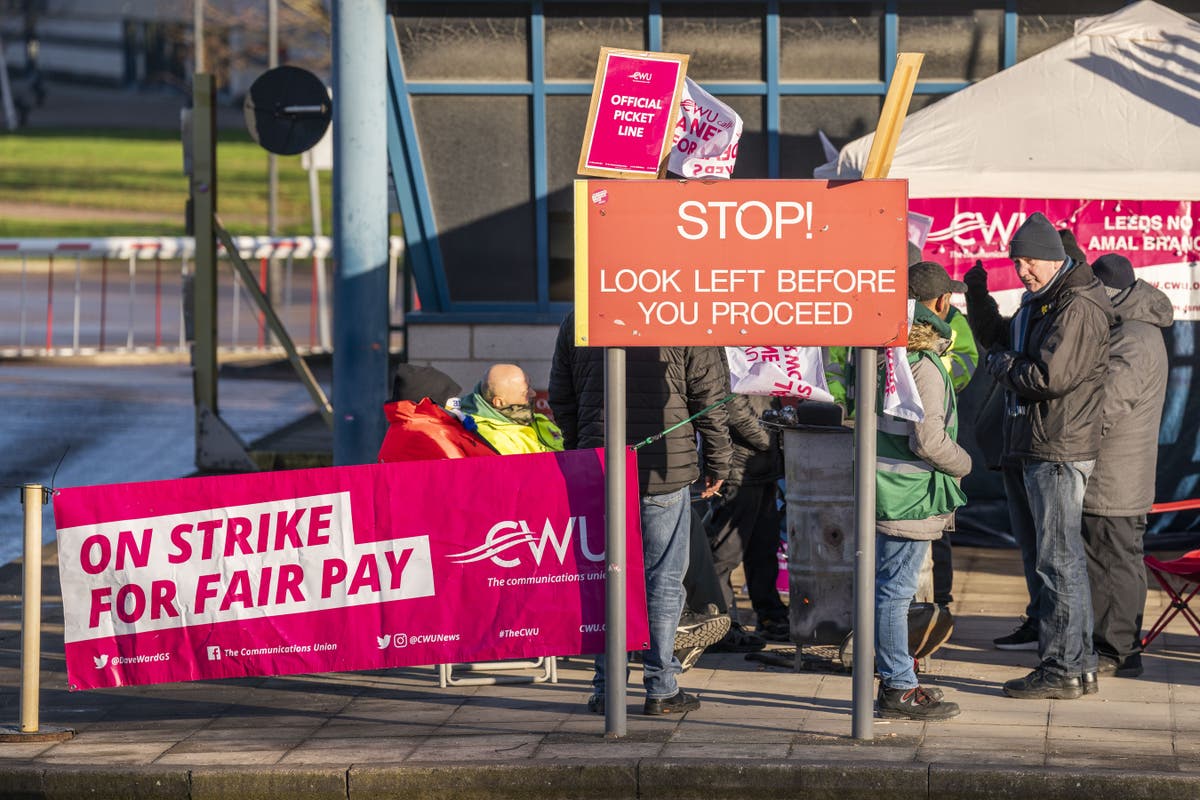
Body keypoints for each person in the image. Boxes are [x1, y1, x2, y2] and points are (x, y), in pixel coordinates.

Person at [549, 312, 732, 715]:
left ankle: (606, 687)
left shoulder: (581, 315)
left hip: (601, 468)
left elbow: (561, 397)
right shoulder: (680, 316)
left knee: (606, 576)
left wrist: (582, 449)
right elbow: (711, 402)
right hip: (663, 473)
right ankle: (661, 687)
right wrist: (720, 463)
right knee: (663, 580)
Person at [965, 212, 1113, 700]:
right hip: (1036, 443)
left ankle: (1063, 667)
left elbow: (1049, 378)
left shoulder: (1076, 305)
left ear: (1055, 257)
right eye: (1018, 262)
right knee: (1055, 558)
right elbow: (1000, 339)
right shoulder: (1042, 301)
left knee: (1059, 561)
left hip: (1057, 447)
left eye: (1030, 261)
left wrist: (1002, 365)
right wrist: (978, 295)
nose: (1023, 270)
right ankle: (1080, 665)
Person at [874, 262, 971, 721]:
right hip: (911, 495)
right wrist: (965, 463)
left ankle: (895, 681)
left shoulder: (881, 356)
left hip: (882, 487)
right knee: (895, 594)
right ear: (941, 304)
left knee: (884, 591)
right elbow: (929, 441)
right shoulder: (925, 366)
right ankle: (899, 686)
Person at [1082, 253, 1173, 679]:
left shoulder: (1133, 337)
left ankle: (1118, 650)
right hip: (1118, 471)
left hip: (1115, 474)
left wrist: (1071, 436)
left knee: (1113, 561)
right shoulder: (1134, 330)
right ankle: (1117, 646)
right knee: (1114, 559)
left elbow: (1108, 404)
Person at [704, 382, 788, 649]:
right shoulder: (733, 352)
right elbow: (732, 404)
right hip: (741, 466)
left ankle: (770, 614)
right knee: (726, 549)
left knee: (763, 545)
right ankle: (715, 621)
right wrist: (768, 440)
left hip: (762, 464)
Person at [454, 364, 563, 455]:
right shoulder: (492, 438)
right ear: (499, 402)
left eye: (530, 386)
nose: (533, 393)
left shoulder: (536, 420)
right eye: (525, 392)